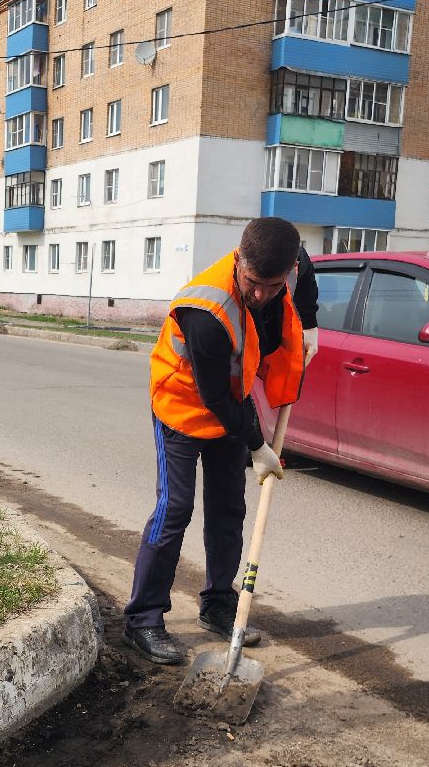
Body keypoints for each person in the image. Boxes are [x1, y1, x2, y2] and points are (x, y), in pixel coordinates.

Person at [122, 217, 318, 665]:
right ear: (239, 259)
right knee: (176, 509)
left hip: (233, 400)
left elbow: (305, 279)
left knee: (229, 507)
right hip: (183, 406)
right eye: (253, 283)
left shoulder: (290, 266)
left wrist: (312, 325)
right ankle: (143, 620)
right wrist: (258, 446)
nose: (262, 295)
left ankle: (218, 605)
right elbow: (215, 397)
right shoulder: (205, 311)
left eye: (273, 285)